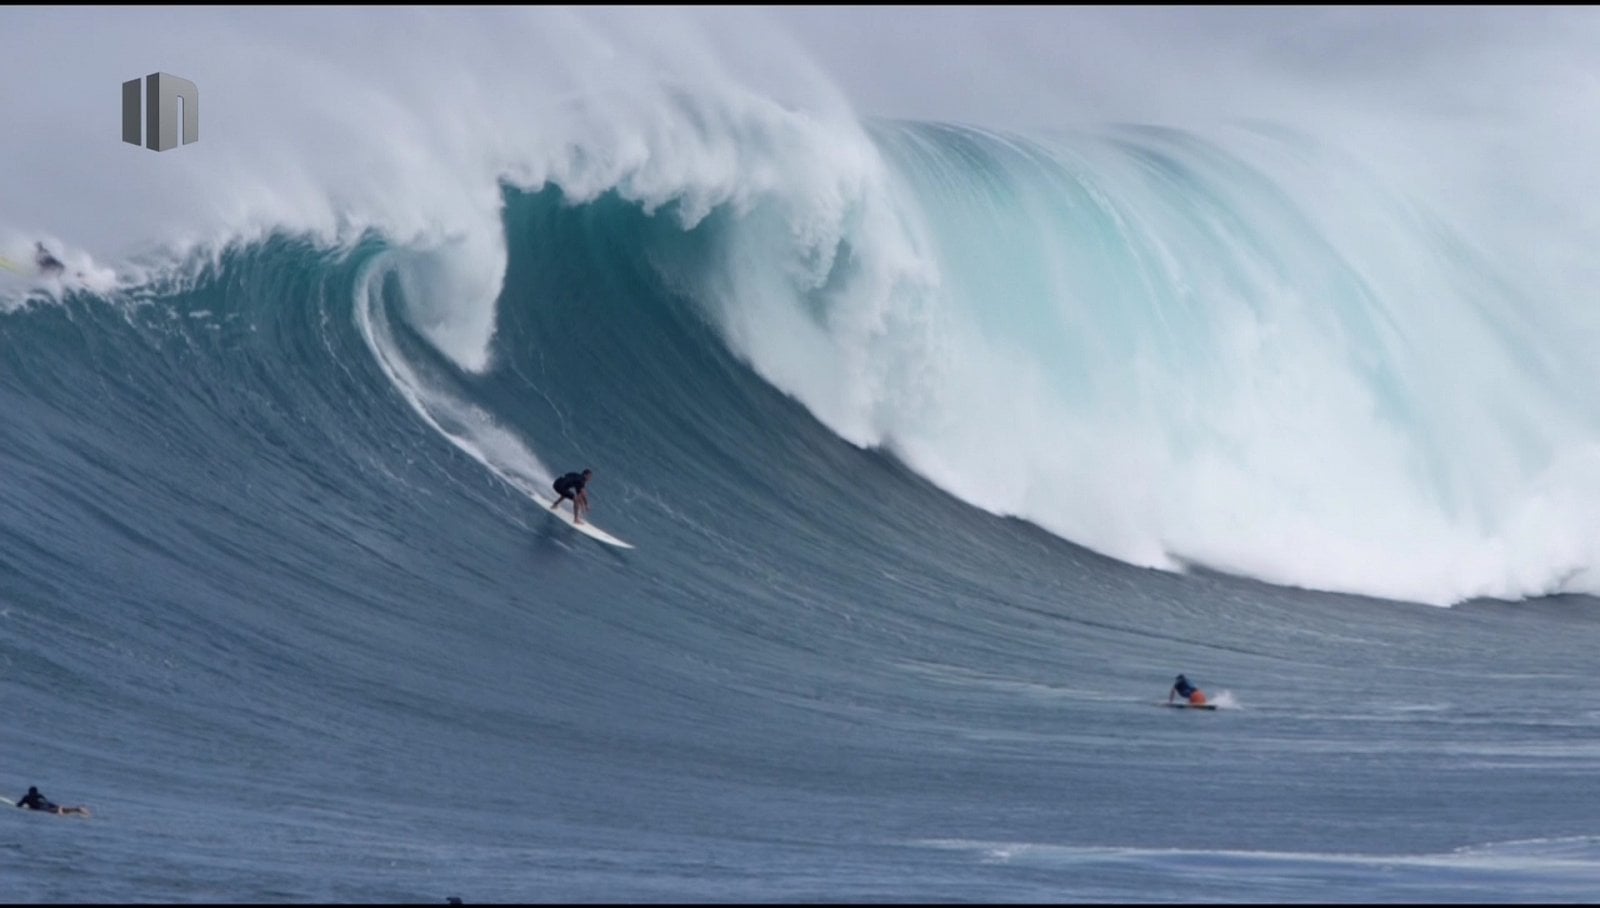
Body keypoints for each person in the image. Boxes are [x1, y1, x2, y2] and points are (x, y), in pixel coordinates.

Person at [15, 786, 89, 816]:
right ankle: (77, 809)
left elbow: (18, 805)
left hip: (41, 807)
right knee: (62, 808)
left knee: (54, 811)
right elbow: (45, 800)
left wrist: (26, 806)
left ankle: (60, 810)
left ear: (29, 791)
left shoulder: (26, 797)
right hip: (47, 804)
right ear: (36, 791)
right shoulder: (39, 795)